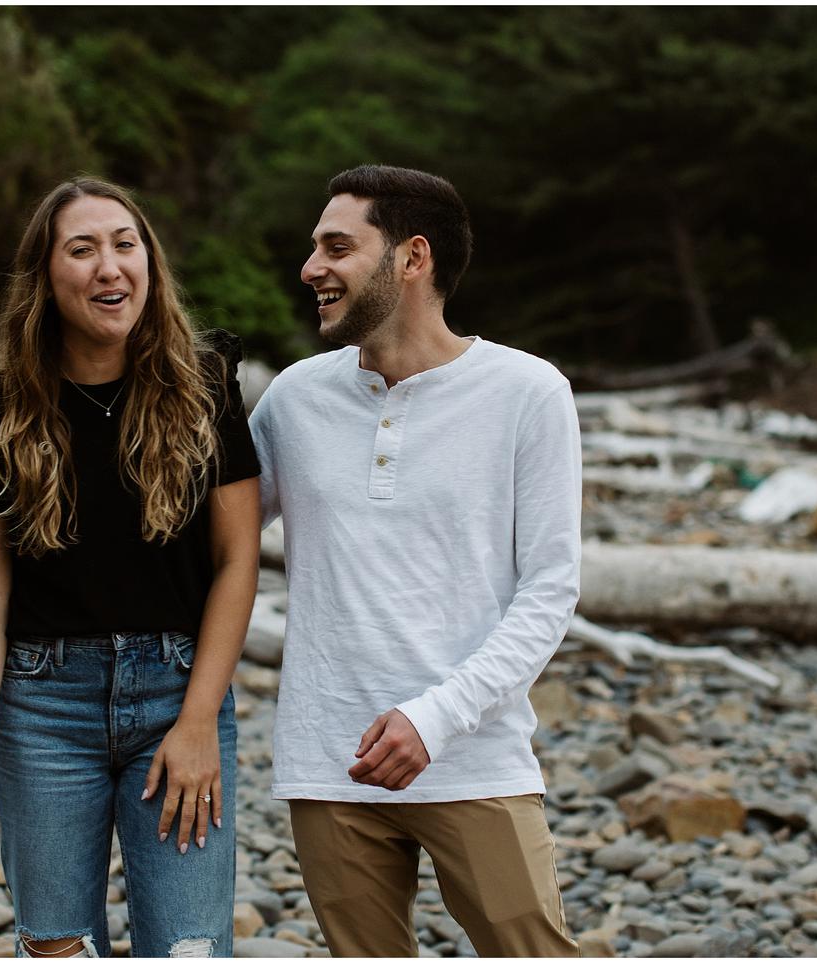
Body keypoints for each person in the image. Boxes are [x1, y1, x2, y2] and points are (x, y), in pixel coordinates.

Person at [0, 176, 261, 959]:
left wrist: (199, 720)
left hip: (178, 691)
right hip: (41, 708)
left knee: (191, 948)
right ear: (46, 276)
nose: (110, 266)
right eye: (83, 248)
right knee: (57, 944)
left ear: (151, 265)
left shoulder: (204, 385)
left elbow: (238, 562)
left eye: (126, 245)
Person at [249, 165, 583, 957]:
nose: (311, 269)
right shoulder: (294, 400)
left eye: (337, 246)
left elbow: (549, 588)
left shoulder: (527, 392)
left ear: (412, 256)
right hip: (329, 764)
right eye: (313, 248)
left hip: (474, 757)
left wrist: (434, 718)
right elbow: (197, 537)